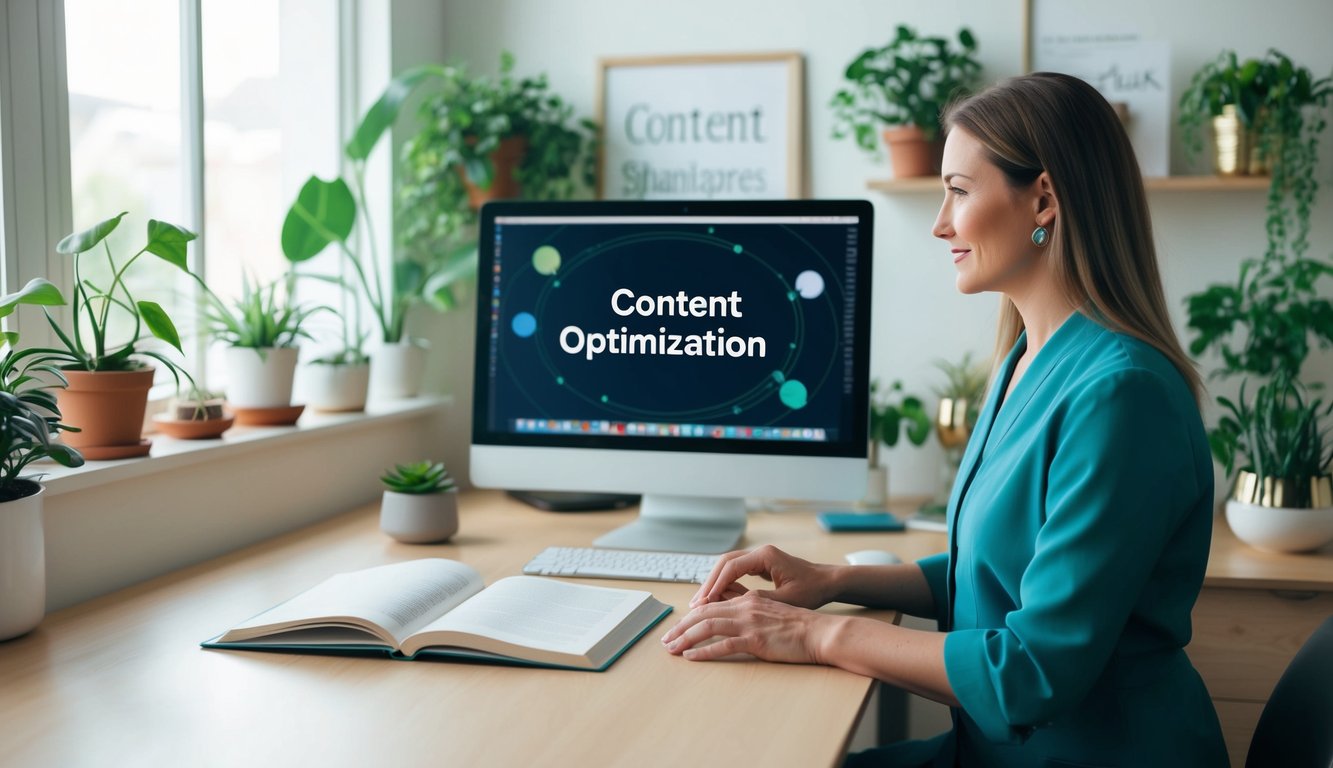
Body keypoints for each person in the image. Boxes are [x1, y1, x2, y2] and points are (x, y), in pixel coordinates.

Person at [660, 72, 1229, 767]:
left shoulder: (1121, 395)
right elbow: (997, 569)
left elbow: (1031, 673)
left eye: (958, 191)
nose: (939, 222)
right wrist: (835, 580)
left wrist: (813, 636)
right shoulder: (1026, 357)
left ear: (1042, 198)